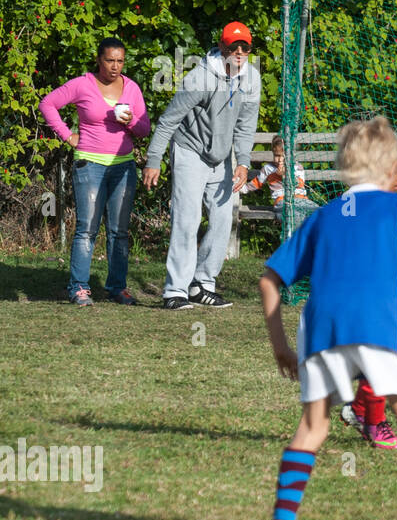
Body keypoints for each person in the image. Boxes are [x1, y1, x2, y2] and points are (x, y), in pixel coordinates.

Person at [256, 115, 397, 520]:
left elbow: (269, 279)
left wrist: (280, 346)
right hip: (379, 323)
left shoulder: (325, 216)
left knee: (313, 427)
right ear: (392, 171)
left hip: (322, 326)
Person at [143, 21, 261, 309]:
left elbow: (246, 127)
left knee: (222, 220)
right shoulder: (200, 78)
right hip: (189, 151)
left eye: (245, 46)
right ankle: (175, 291)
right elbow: (169, 120)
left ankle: (202, 283)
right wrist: (154, 159)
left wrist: (243, 162)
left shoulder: (252, 79)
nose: (240, 52)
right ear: (222, 47)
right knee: (187, 219)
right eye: (234, 46)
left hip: (220, 158)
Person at [39, 38, 151, 305]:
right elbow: (47, 104)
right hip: (89, 163)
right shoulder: (82, 84)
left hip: (123, 166)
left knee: (119, 231)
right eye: (110, 60)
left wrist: (130, 120)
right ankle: (79, 287)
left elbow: (145, 129)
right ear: (99, 59)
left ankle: (117, 287)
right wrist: (68, 136)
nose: (115, 66)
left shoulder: (132, 88)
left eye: (120, 61)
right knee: (87, 229)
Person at [242, 135, 317, 223]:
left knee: (320, 213)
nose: (280, 160)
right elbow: (257, 182)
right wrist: (243, 188)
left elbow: (299, 184)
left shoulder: (297, 167)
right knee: (294, 216)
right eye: (277, 155)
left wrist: (286, 175)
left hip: (302, 199)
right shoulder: (268, 168)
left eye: (284, 157)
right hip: (282, 201)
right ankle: (296, 236)